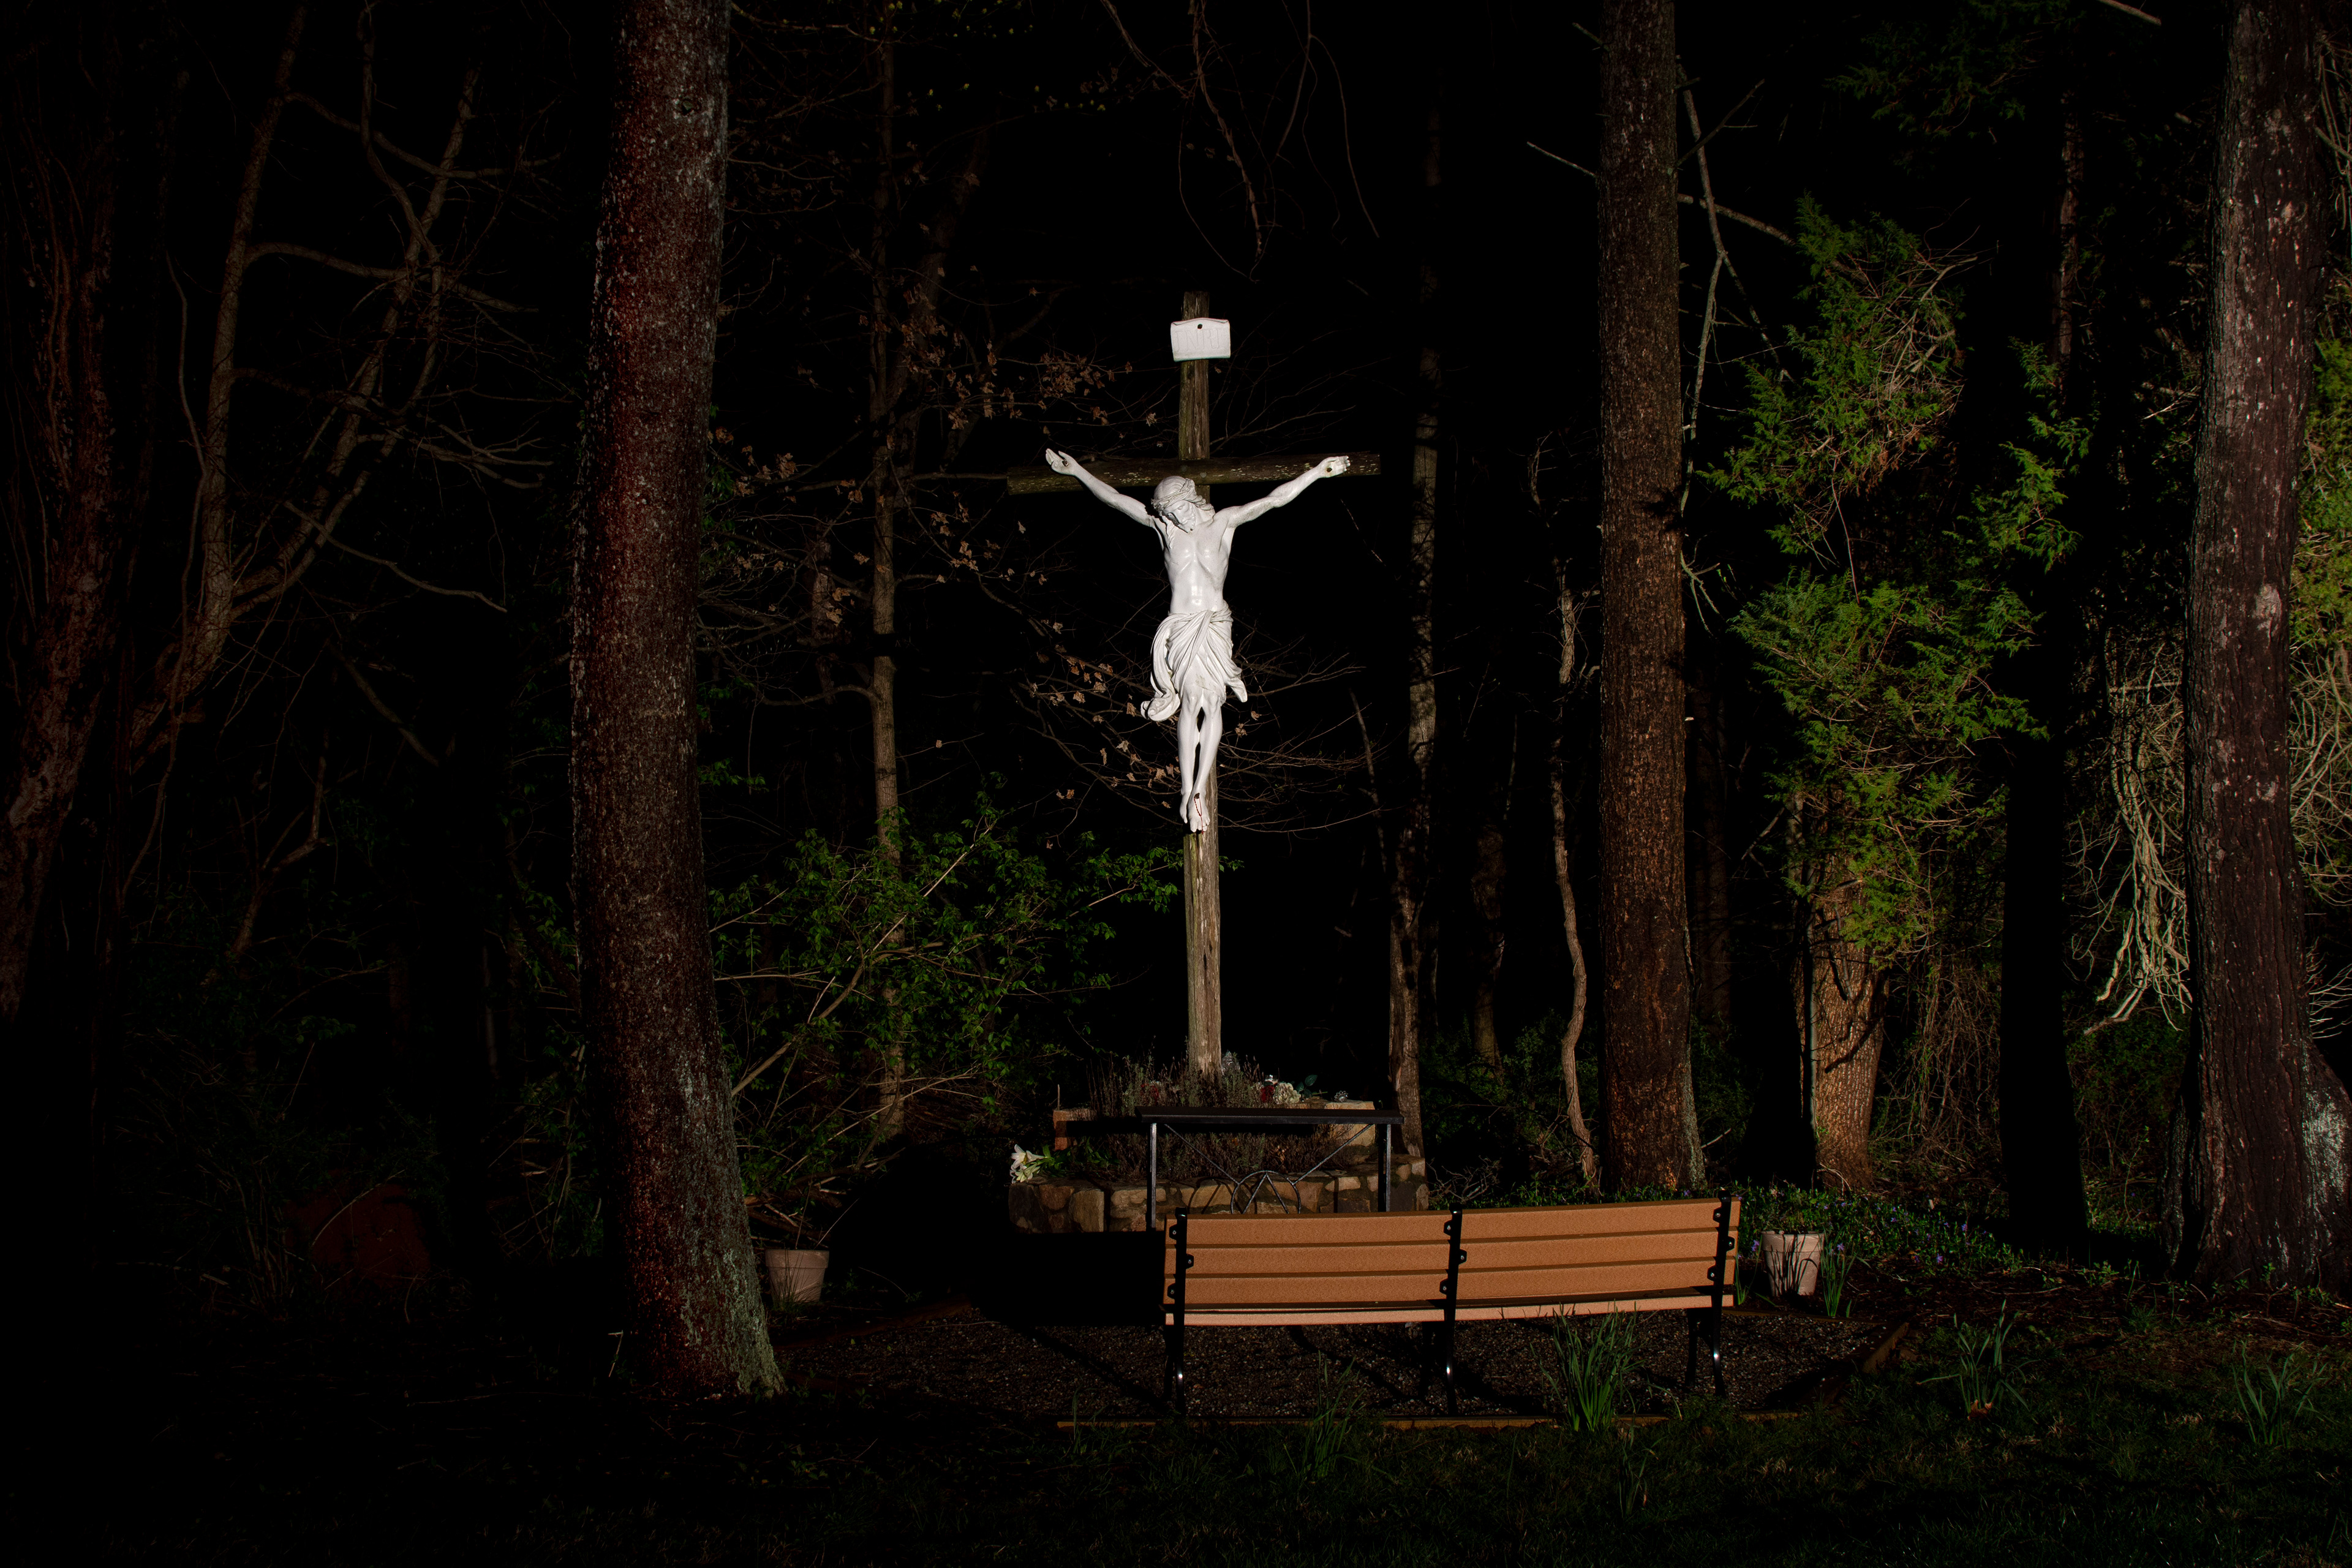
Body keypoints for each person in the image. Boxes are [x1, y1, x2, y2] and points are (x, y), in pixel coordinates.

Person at [1041, 449, 1349, 831]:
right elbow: (1117, 500)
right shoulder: (1165, 529)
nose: (1175, 518)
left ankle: (1199, 788)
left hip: (1215, 624)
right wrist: (1077, 472)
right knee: (1191, 701)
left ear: (1191, 499)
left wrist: (1317, 472)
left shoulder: (1224, 522)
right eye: (1168, 514)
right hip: (1183, 626)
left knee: (1213, 701)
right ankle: (1187, 789)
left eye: (1178, 510)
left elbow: (1274, 500)